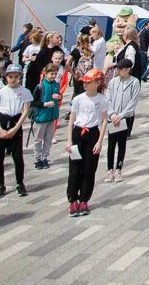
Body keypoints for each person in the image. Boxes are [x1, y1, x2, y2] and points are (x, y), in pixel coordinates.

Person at [65, 69, 107, 217]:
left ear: (97, 83)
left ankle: (84, 199)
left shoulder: (102, 99)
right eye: (84, 82)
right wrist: (69, 140)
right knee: (75, 168)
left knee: (89, 168)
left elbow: (103, 121)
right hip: (78, 133)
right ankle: (72, 200)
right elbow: (71, 120)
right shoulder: (78, 99)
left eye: (89, 82)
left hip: (93, 134)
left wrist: (100, 141)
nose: (85, 84)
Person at [0, 63, 31, 198]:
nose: (13, 79)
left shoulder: (25, 92)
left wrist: (15, 128)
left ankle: (20, 183)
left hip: (15, 123)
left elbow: (25, 112)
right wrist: (0, 129)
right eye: (10, 77)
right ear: (6, 77)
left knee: (18, 157)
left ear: (20, 77)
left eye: (16, 77)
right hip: (2, 123)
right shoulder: (0, 92)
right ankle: (0, 185)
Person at [102, 57, 139, 181]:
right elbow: (108, 98)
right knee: (111, 144)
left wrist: (121, 115)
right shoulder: (113, 82)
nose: (118, 71)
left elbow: (133, 102)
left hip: (124, 117)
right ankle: (109, 170)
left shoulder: (134, 82)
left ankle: (119, 169)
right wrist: (112, 114)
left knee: (122, 144)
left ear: (128, 69)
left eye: (121, 69)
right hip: (113, 117)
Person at [31, 63, 62, 170]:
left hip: (52, 116)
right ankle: (37, 158)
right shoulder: (40, 86)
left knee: (48, 139)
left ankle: (45, 157)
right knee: (38, 139)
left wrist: (59, 97)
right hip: (41, 116)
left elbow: (59, 97)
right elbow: (33, 102)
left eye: (55, 74)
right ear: (45, 73)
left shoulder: (56, 85)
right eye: (51, 74)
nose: (53, 76)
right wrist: (45, 104)